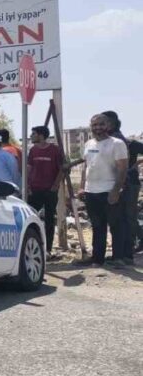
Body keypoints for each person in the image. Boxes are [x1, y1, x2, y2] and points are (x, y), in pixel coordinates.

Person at [78, 113, 130, 267]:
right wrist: (81, 187)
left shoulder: (117, 143)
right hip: (91, 191)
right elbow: (85, 167)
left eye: (101, 124)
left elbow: (123, 169)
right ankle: (97, 259)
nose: (98, 128)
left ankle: (118, 258)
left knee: (116, 225)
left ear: (108, 126)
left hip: (109, 190)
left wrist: (115, 191)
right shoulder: (88, 144)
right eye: (94, 125)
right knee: (97, 226)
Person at [103, 111, 143, 256]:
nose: (100, 127)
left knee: (127, 216)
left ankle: (128, 249)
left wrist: (133, 165)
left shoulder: (123, 142)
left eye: (103, 122)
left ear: (111, 123)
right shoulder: (107, 141)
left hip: (129, 183)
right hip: (117, 183)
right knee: (125, 216)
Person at [26, 126, 64, 253]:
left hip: (49, 191)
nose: (31, 136)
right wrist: (27, 186)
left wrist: (55, 186)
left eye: (34, 134)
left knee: (49, 220)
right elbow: (29, 168)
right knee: (29, 217)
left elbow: (62, 169)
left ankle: (47, 249)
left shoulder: (55, 150)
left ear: (41, 135)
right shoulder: (33, 150)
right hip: (34, 190)